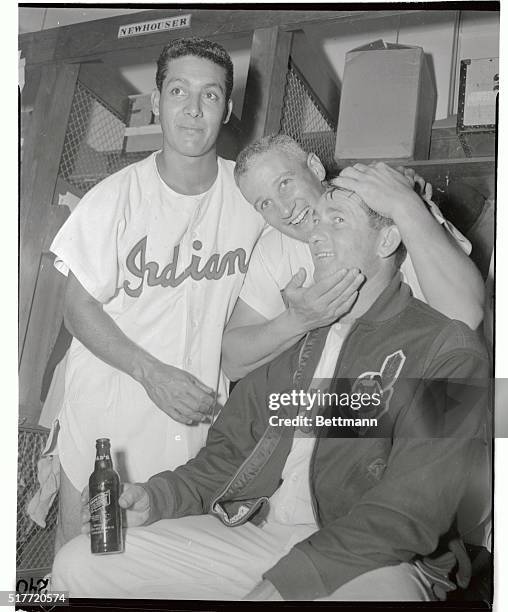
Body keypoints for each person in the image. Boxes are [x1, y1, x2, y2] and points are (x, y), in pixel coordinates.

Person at [51, 169, 489, 601]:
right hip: (263, 535)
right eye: (317, 221)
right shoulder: (292, 341)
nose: (317, 233)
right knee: (79, 565)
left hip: (379, 559)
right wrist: (156, 497)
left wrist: (293, 580)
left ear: (388, 240)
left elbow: (414, 509)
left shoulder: (451, 351)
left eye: (337, 221)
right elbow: (226, 458)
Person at [46, 37, 268, 549]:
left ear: (228, 109)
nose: (192, 109)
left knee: (169, 556)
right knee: (84, 555)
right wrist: (151, 374)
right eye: (178, 91)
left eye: (209, 95)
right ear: (156, 102)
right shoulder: (113, 199)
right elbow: (76, 309)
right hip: (110, 412)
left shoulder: (250, 195)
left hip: (197, 420)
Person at [222, 136, 485, 382]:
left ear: (315, 167)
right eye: (264, 204)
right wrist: (300, 319)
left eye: (285, 183)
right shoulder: (274, 250)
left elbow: (466, 316)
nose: (285, 209)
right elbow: (232, 362)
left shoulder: (378, 203)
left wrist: (406, 204)